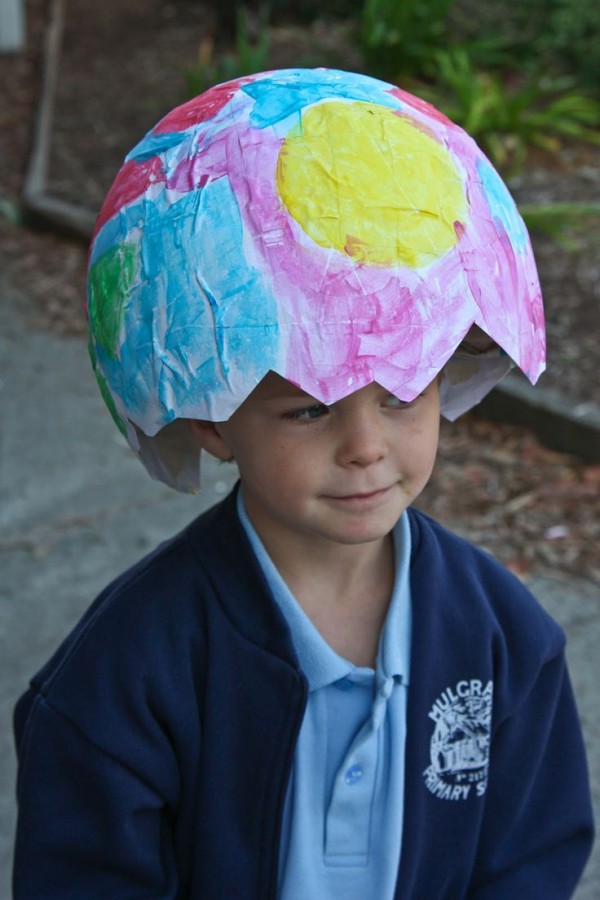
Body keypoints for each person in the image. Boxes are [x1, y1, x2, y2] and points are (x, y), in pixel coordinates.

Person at [13, 68, 593, 898]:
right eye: (308, 411)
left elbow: (530, 860)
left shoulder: (505, 642)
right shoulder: (125, 673)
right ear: (211, 417)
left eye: (400, 393)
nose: (364, 446)